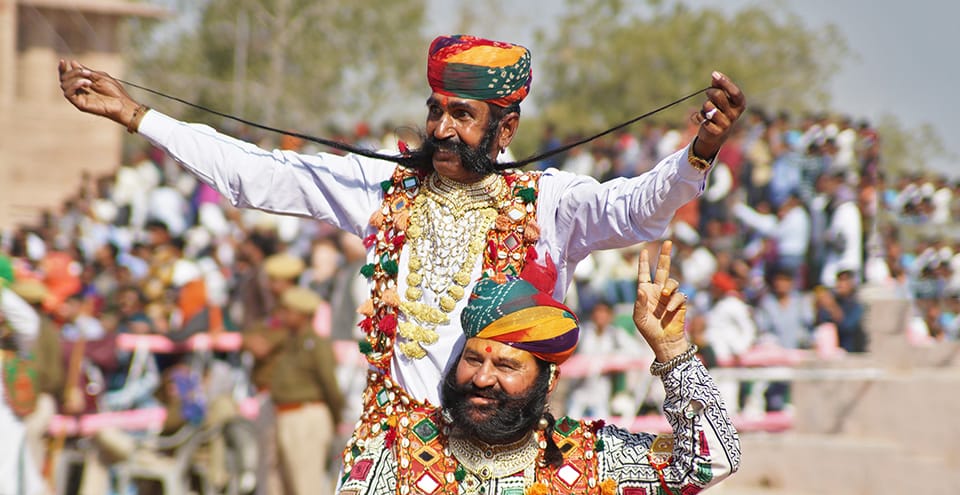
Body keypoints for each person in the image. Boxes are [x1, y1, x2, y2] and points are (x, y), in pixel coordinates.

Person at [59, 33, 745, 462]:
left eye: (462, 115)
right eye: (435, 110)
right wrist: (140, 116)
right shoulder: (382, 189)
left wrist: (700, 151)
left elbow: (636, 208)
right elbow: (257, 172)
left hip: (507, 446)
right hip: (395, 456)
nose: (441, 129)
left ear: (504, 129)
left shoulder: (551, 201)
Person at [338, 240, 739, 494]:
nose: (482, 378)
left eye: (506, 365)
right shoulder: (396, 452)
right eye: (473, 359)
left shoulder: (592, 456)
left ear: (548, 381)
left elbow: (709, 463)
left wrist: (671, 350)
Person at [270, 287, 344, 495]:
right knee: (286, 486)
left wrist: (336, 419)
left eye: (288, 311)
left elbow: (330, 385)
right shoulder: (289, 341)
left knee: (306, 485)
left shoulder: (316, 344)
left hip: (306, 416)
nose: (282, 315)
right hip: (286, 416)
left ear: (302, 315)